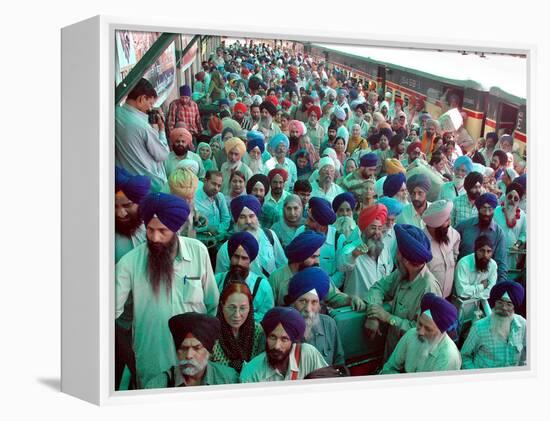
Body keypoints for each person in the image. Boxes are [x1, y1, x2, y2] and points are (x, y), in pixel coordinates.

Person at [116, 193, 219, 387]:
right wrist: (131, 358)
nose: (155, 237)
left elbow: (212, 305)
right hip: (152, 364)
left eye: (162, 230)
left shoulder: (198, 252)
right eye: (150, 230)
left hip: (195, 364)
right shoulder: (129, 264)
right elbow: (114, 318)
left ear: (176, 228)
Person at [365, 224, 442, 360]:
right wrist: (374, 315)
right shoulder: (401, 273)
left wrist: (389, 318)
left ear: (404, 258)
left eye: (398, 252)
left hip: (410, 360)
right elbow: (378, 288)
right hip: (391, 353)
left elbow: (423, 332)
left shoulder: (429, 288)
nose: (396, 256)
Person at [114, 167, 151, 390]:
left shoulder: (148, 227)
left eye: (127, 206)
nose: (120, 213)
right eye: (115, 206)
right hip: (122, 322)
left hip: (149, 317)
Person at [268, 230, 365, 310]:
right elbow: (270, 310)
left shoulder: (318, 275)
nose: (317, 262)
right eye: (313, 257)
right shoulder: (276, 278)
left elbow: (334, 297)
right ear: (300, 257)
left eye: (318, 256)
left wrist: (350, 299)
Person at [145, 313, 238, 388]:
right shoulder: (157, 386)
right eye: (183, 348)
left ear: (210, 350)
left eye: (197, 348)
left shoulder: (229, 380)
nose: (189, 355)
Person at [240, 307, 328, 382]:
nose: (277, 346)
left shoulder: (309, 354)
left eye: (284, 339)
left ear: (293, 341)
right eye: (272, 337)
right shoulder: (250, 374)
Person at [381, 293, 461, 374]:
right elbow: (390, 367)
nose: (420, 332)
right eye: (420, 324)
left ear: (442, 332)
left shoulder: (448, 358)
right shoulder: (412, 334)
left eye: (428, 329)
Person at [115, 78, 169, 192]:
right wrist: (161, 130)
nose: (150, 108)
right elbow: (162, 155)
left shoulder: (115, 113)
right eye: (150, 103)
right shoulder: (143, 127)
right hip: (150, 185)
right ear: (141, 98)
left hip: (126, 182)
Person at [285, 267, 346, 366]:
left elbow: (339, 362)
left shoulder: (329, 324)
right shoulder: (281, 327)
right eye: (303, 301)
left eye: (314, 302)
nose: (308, 309)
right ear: (293, 303)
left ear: (319, 306)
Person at [216, 195, 287, 278]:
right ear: (236, 221)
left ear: (257, 217)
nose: (248, 221)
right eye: (242, 217)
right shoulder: (225, 250)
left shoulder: (270, 235)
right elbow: (221, 281)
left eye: (251, 216)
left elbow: (283, 266)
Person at [461, 281, 526, 369]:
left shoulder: (523, 325)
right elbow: (464, 356)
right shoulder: (479, 328)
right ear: (494, 303)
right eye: (500, 302)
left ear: (515, 306)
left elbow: (526, 355)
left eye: (509, 304)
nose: (504, 307)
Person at [215, 232, 274, 322]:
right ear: (230, 257)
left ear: (250, 260)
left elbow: (266, 317)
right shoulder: (217, 281)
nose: (239, 263)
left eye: (244, 258)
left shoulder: (263, 287)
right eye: (236, 257)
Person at [340, 204, 394, 299]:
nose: (377, 232)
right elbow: (342, 265)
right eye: (373, 228)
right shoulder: (350, 247)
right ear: (364, 229)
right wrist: (354, 255)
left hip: (379, 305)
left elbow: (389, 274)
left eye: (380, 228)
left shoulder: (384, 249)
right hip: (357, 307)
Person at [211, 282, 266, 373]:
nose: (237, 315)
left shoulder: (258, 332)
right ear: (222, 306)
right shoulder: (212, 333)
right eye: (232, 307)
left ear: (250, 308)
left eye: (243, 308)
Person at [455, 193, 508, 283]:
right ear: (478, 209)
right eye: (484, 208)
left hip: (485, 284)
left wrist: (499, 288)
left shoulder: (498, 233)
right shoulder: (463, 227)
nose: (487, 213)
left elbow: (501, 263)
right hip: (462, 279)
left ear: (494, 210)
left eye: (490, 209)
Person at [422, 200, 461, 298]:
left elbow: (456, 254)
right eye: (446, 220)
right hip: (428, 299)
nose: (450, 223)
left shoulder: (452, 234)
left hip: (448, 296)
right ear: (435, 225)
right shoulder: (421, 242)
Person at [493, 182, 527, 271]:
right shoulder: (496, 211)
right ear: (505, 197)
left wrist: (517, 245)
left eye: (516, 199)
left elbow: (524, 234)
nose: (512, 200)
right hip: (496, 252)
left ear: (519, 201)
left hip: (513, 253)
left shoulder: (523, 215)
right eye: (510, 197)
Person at [454, 235, 498, 300]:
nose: (485, 255)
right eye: (482, 251)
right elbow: (462, 292)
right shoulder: (463, 263)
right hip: (462, 304)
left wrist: (473, 294)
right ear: (475, 250)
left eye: (489, 251)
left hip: (483, 302)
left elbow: (491, 291)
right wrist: (482, 286)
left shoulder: (493, 265)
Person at [194, 170, 231, 241]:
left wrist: (219, 231)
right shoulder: (194, 199)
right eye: (214, 184)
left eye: (219, 186)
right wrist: (207, 228)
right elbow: (189, 226)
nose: (216, 188)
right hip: (201, 240)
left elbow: (226, 218)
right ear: (205, 181)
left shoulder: (220, 197)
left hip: (218, 239)